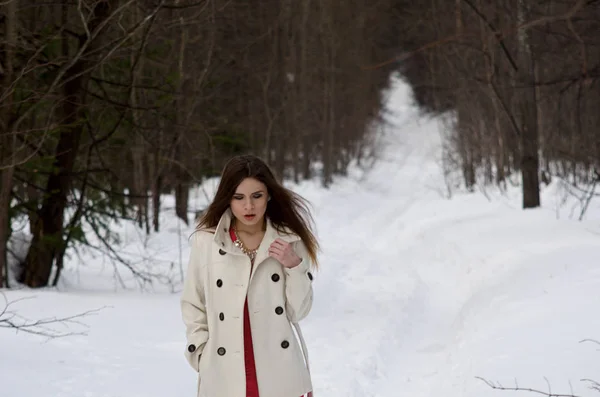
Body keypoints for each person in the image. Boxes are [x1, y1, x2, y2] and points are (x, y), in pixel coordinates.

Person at [180, 154, 319, 397]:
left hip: (278, 373)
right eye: (239, 197)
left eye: (257, 196)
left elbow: (299, 311)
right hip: (224, 372)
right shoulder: (207, 241)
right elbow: (193, 302)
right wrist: (201, 352)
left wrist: (294, 266)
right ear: (228, 199)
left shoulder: (289, 241)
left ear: (269, 196)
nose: (248, 207)